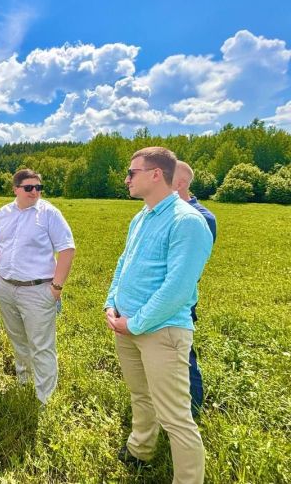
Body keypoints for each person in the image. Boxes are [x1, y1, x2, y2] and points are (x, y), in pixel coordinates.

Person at [105, 147, 213, 484]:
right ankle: (141, 449)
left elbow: (178, 288)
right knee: (140, 396)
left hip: (162, 332)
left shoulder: (188, 222)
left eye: (131, 172)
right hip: (126, 325)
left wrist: (134, 322)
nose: (126, 179)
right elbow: (124, 263)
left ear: (156, 174)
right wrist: (112, 304)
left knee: (176, 417)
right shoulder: (141, 217)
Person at [0, 169, 75, 403]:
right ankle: (24, 382)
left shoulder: (49, 214)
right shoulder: (4, 212)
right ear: (16, 189)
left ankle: (44, 399)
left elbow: (67, 249)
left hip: (38, 290)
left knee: (41, 345)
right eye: (29, 187)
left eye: (38, 187)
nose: (35, 191)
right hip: (6, 287)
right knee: (18, 339)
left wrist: (56, 286)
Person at [173, 160, 217, 418]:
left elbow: (189, 268)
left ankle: (193, 409)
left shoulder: (201, 217)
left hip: (180, 299)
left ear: (178, 183)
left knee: (183, 354)